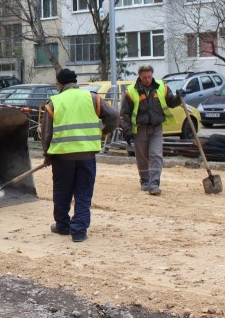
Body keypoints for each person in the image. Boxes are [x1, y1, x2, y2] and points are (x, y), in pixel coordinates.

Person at [40, 68, 118, 243]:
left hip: (62, 158)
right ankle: (79, 231)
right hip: (87, 156)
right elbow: (114, 116)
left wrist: (47, 154)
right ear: (75, 82)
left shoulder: (54, 102)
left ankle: (62, 226)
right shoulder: (92, 98)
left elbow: (46, 133)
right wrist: (103, 132)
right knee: (83, 193)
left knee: (62, 192)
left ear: (59, 84)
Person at [119, 64, 182, 195]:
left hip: (156, 127)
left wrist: (178, 98)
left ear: (152, 75)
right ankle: (145, 180)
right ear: (140, 77)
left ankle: (154, 184)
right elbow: (124, 114)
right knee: (142, 157)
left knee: (156, 155)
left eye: (149, 77)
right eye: (144, 77)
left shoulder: (161, 87)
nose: (147, 80)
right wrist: (127, 131)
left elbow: (170, 101)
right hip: (140, 128)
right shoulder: (131, 91)